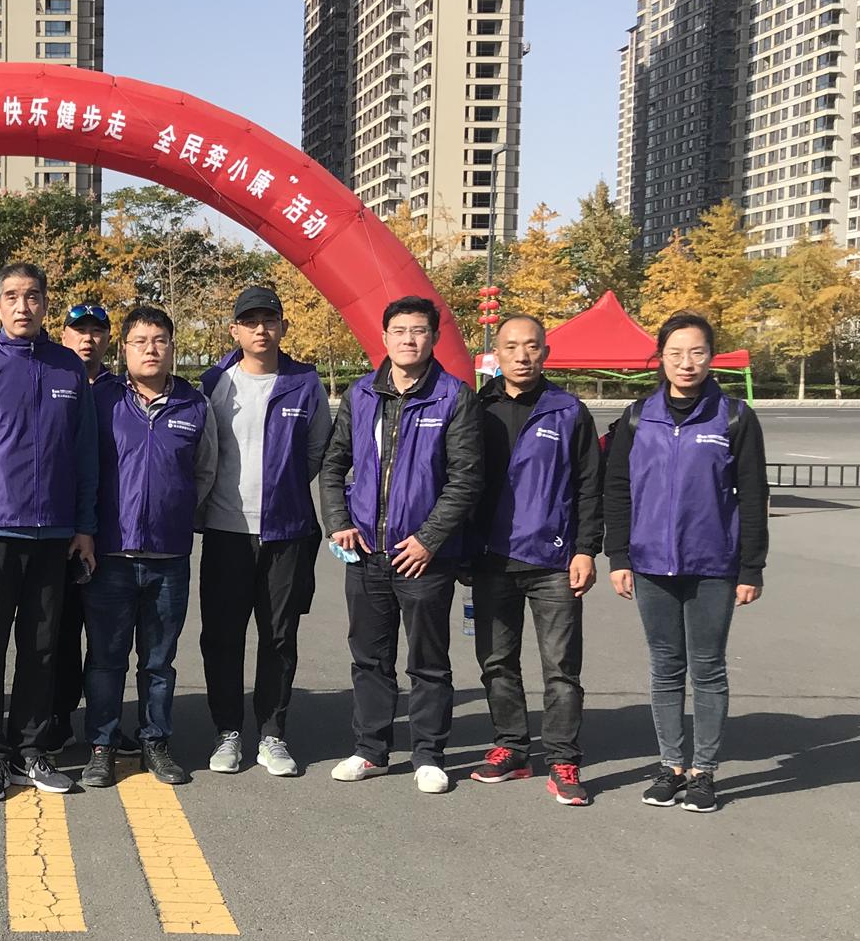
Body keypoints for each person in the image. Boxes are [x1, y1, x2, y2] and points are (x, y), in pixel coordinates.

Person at [0, 261, 98, 800]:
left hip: (53, 535)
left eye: (32, 296)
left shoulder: (67, 368)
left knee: (41, 649)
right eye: (11, 296)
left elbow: (84, 453)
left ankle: (32, 749)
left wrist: (84, 526)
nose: (22, 306)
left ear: (45, 304)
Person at [604, 312, 768, 814]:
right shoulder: (638, 416)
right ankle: (671, 766)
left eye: (697, 352)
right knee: (665, 667)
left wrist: (751, 567)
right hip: (650, 562)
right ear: (661, 358)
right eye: (675, 353)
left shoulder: (734, 416)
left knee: (708, 668)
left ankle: (704, 773)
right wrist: (618, 555)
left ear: (711, 357)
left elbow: (752, 494)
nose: (686, 363)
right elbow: (618, 489)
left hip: (713, 563)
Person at [319, 296, 483, 793]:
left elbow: (466, 480)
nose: (409, 339)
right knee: (370, 658)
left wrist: (429, 539)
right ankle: (370, 750)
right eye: (400, 331)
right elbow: (333, 465)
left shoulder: (454, 397)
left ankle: (429, 754)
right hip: (367, 553)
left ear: (434, 337)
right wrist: (338, 522)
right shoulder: (361, 394)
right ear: (384, 337)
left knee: (428, 661)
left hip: (423, 558)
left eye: (419, 331)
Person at [467, 315, 603, 807]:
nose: (521, 356)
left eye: (531, 346)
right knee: (496, 662)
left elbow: (589, 485)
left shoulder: (568, 411)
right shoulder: (476, 408)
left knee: (561, 668)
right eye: (511, 346)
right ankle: (511, 747)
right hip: (491, 559)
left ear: (545, 352)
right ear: (496, 353)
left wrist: (586, 548)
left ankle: (563, 758)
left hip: (554, 561)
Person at [196, 284, 332, 777]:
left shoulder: (304, 383)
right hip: (226, 531)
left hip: (285, 532)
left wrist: (284, 492)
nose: (261, 329)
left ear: (283, 327)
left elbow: (317, 451)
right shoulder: (215, 383)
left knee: (278, 636)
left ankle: (273, 734)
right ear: (234, 329)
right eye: (250, 321)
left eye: (269, 320)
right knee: (222, 637)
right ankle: (227, 731)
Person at [81, 306, 216, 789]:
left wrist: (173, 513)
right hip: (110, 554)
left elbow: (205, 471)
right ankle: (102, 745)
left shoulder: (194, 406)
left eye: (159, 340)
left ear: (172, 347)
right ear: (124, 349)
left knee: (159, 661)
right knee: (106, 659)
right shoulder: (102, 400)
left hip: (168, 556)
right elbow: (83, 468)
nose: (150, 349)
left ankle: (155, 741)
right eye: (140, 341)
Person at [41, 302, 117, 756]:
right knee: (61, 630)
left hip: (112, 529)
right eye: (79, 330)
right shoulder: (53, 379)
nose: (88, 339)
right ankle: (59, 714)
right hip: (60, 528)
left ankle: (105, 722)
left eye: (97, 331)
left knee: (107, 635)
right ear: (63, 334)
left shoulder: (120, 391)